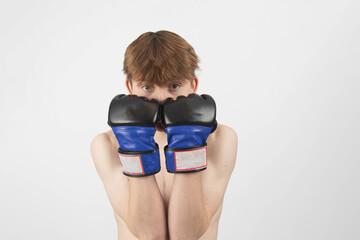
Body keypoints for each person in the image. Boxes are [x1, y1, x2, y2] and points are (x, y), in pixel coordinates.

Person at [90, 30, 238, 240]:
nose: (161, 98)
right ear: (130, 88)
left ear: (193, 86)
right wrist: (135, 145)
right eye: (147, 87)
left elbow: (185, 236)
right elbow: (150, 235)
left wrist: (189, 143)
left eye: (174, 86)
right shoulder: (106, 145)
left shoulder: (221, 140)